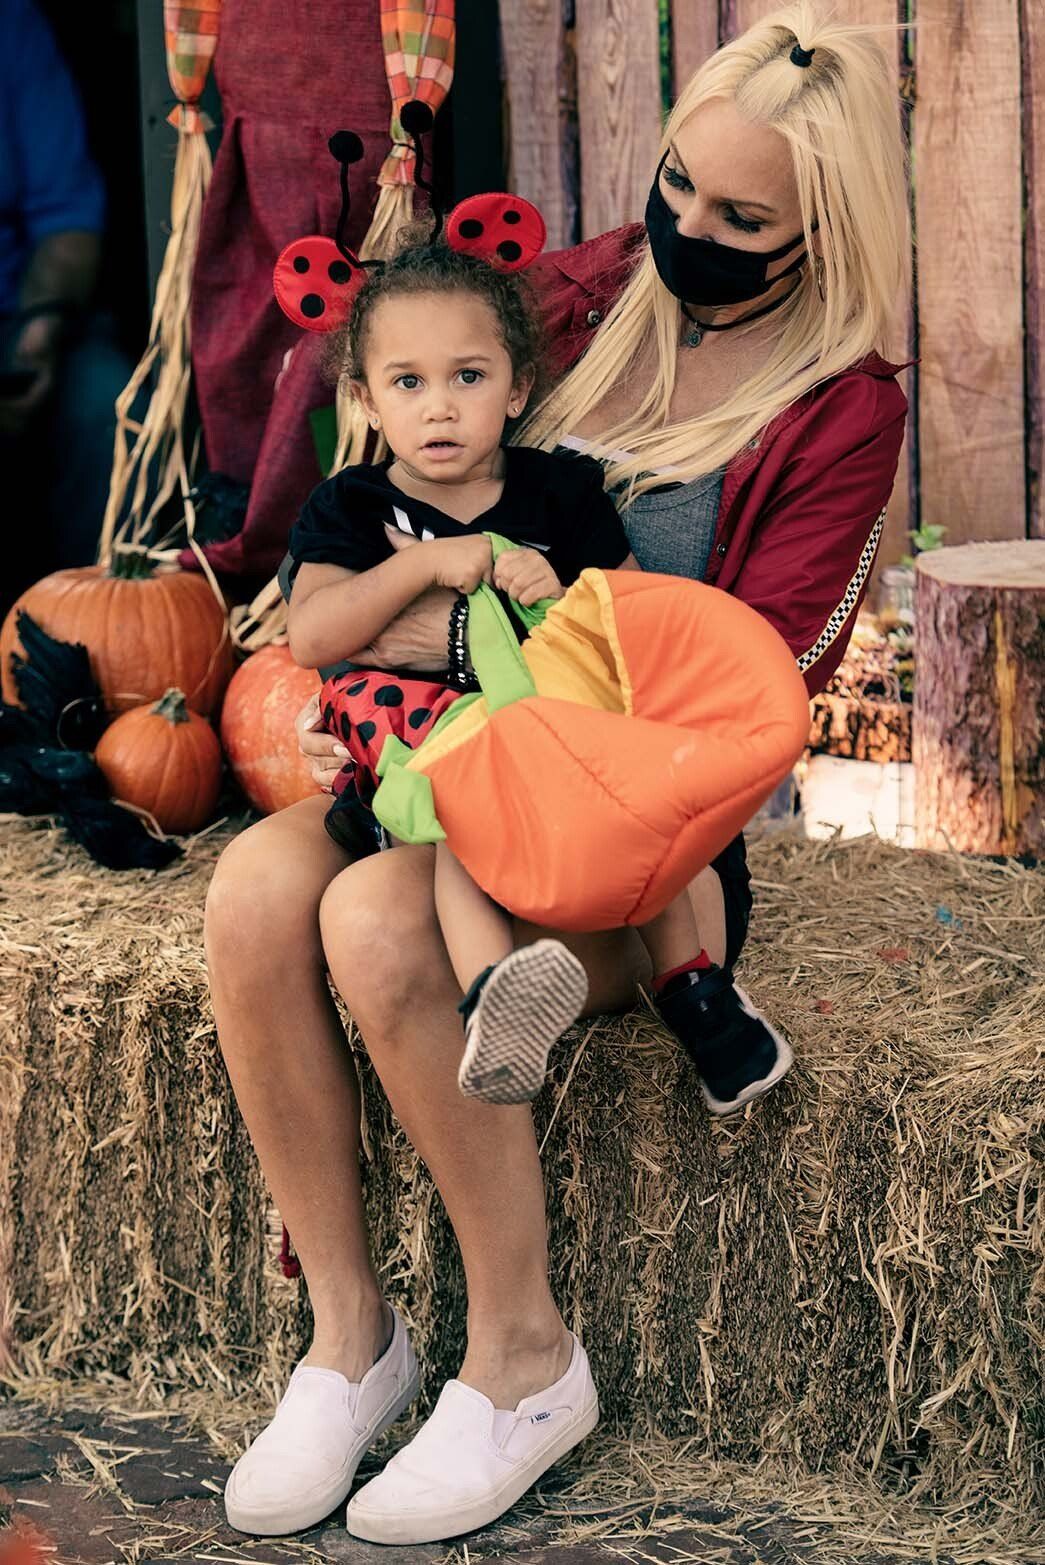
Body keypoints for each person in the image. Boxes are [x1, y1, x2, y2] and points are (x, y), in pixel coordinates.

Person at [206, 4, 910, 1545]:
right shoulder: (583, 293)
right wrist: (333, 694)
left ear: (823, 229)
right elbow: (382, 466)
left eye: (740, 219)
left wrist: (518, 697)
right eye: (675, 186)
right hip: (433, 755)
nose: (685, 230)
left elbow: (757, 689)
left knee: (379, 925)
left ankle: (523, 1358)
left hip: (632, 820)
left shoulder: (843, 403)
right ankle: (348, 1341)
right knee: (257, 890)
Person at [285, 231, 791, 1112]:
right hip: (435, 760)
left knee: (630, 803)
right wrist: (426, 563)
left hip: (558, 747)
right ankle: (497, 999)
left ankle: (698, 997)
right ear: (363, 400)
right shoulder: (353, 507)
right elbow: (313, 632)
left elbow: (627, 628)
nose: (438, 408)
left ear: (517, 387)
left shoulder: (561, 493)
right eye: (407, 382)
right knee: (460, 812)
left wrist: (554, 595)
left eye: (467, 377)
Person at [0, 0, 127, 615]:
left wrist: (35, 339)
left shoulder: (13, 26)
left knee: (107, 400)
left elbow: (68, 221)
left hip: (18, 320)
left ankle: (93, 627)